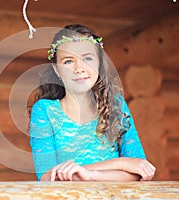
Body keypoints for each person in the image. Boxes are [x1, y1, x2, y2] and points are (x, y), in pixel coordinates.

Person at [29, 24, 156, 181]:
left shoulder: (116, 105)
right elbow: (48, 177)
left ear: (99, 64)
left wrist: (89, 174)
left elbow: (140, 170)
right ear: (57, 70)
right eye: (68, 61)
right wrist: (121, 164)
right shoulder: (45, 110)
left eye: (87, 58)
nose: (79, 68)